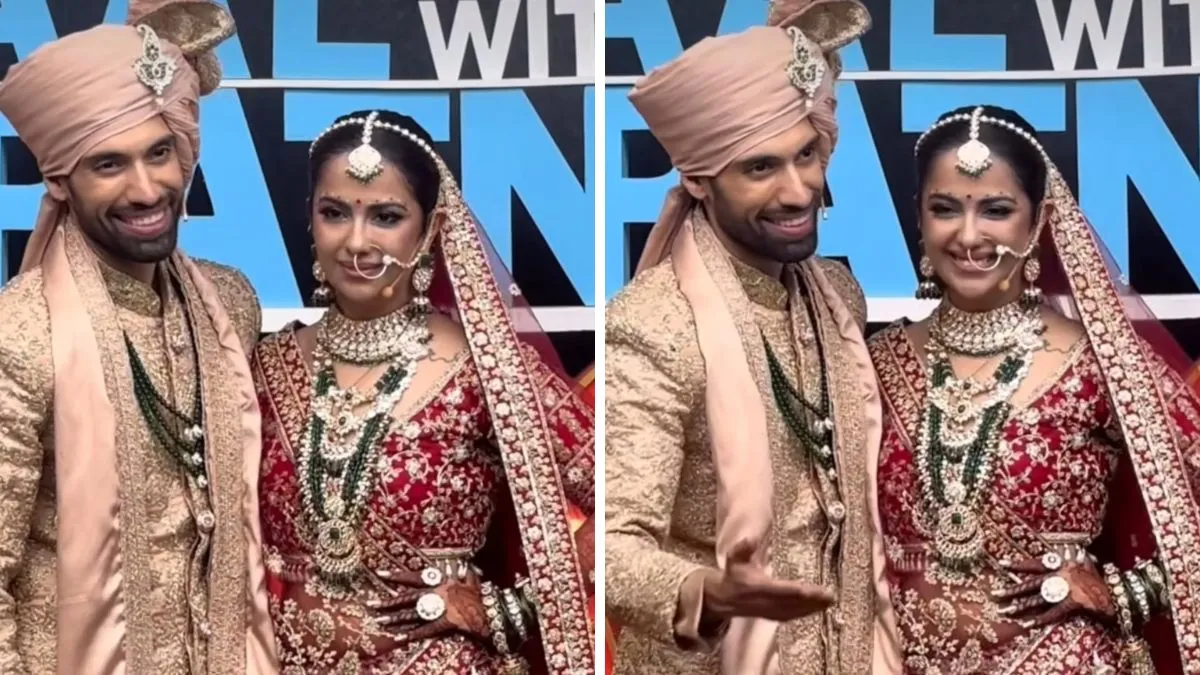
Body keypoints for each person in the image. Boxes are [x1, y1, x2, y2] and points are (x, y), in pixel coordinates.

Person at [604, 1, 902, 673]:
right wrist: (706, 592)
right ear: (699, 179)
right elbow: (613, 546)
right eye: (761, 168)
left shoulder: (837, 296)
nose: (799, 190)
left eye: (807, 155)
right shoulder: (654, 324)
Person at [251, 109, 595, 674]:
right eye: (334, 213)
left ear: (431, 229)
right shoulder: (265, 366)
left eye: (386, 217)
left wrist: (510, 609)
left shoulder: (485, 369)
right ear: (309, 217)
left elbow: (623, 497)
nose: (356, 241)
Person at [868, 104, 1200, 673]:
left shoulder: (1099, 364)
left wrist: (1127, 593)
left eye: (996, 210)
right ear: (918, 217)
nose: (968, 235)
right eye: (944, 209)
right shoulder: (873, 362)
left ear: (1039, 220)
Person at [0, 1, 278, 674]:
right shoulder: (21, 335)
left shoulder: (230, 304)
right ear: (61, 179)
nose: (147, 189)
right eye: (108, 165)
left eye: (160, 152)